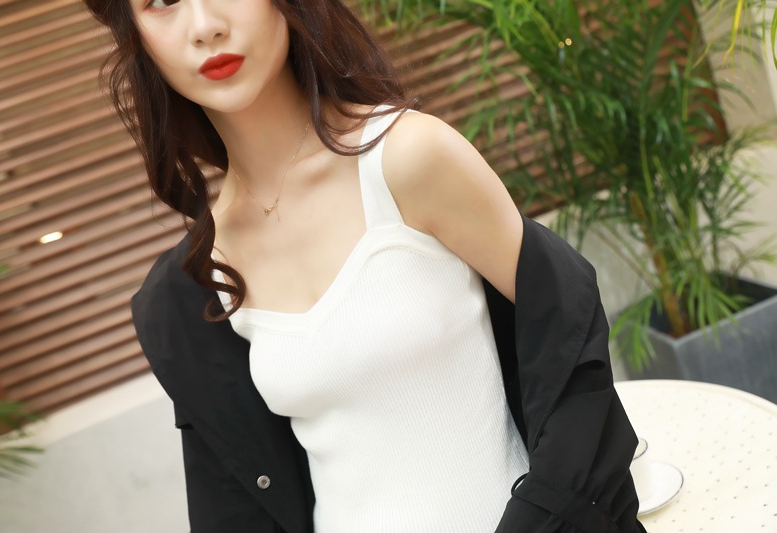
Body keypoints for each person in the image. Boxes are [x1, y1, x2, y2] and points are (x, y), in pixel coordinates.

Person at [83, 0, 646, 531]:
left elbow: (572, 347)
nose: (205, 25)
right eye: (161, 1)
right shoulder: (199, 280)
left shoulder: (408, 157)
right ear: (137, 35)